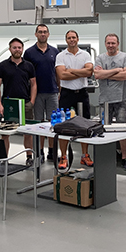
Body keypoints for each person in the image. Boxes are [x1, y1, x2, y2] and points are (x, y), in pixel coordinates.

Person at [0, 38, 36, 166]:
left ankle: (29, 157)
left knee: (27, 132)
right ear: (10, 49)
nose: (17, 50)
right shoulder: (2, 66)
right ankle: (4, 159)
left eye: (19, 47)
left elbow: (34, 84)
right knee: (5, 133)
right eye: (14, 47)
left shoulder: (29, 66)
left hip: (25, 103)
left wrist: (32, 102)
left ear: (22, 49)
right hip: (8, 104)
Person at [94, 33, 126, 171]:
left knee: (123, 129)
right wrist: (116, 70)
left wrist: (105, 73)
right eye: (108, 43)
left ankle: (124, 158)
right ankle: (106, 157)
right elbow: (97, 75)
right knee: (103, 129)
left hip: (122, 99)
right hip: (105, 100)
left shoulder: (125, 57)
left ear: (118, 44)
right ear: (105, 44)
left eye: (113, 43)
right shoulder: (100, 58)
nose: (111, 45)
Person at [55, 29, 94, 169]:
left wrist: (71, 70)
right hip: (67, 94)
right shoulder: (60, 56)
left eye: (74, 37)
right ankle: (63, 156)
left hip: (82, 93)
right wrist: (81, 72)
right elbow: (62, 76)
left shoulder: (85, 55)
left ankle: (85, 155)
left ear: (78, 39)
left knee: (85, 125)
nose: (72, 40)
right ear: (66, 40)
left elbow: (89, 72)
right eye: (69, 38)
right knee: (63, 125)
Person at [24, 24, 59, 162]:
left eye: (45, 32)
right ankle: (39, 153)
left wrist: (59, 89)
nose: (42, 34)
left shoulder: (55, 51)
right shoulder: (29, 53)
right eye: (40, 32)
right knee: (38, 124)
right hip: (37, 94)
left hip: (52, 92)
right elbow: (26, 74)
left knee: (52, 123)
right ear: (36, 34)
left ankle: (51, 151)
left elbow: (58, 73)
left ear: (48, 34)